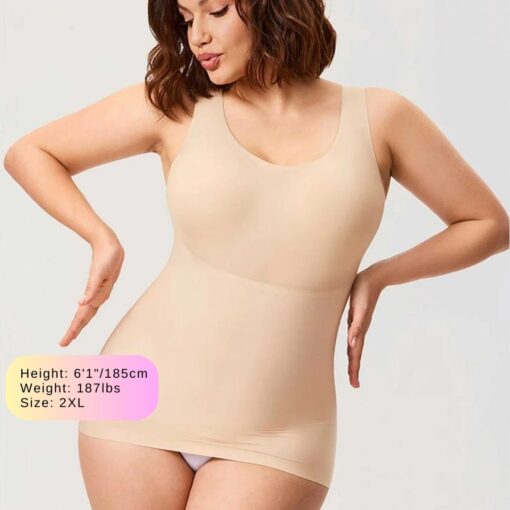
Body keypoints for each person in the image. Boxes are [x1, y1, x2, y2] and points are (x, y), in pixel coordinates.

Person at [3, 0, 508, 509]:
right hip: (137, 402)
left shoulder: (381, 118)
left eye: (217, 10)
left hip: (279, 435)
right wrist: (101, 237)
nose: (198, 35)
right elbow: (31, 152)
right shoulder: (178, 106)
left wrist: (379, 276)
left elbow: (487, 223)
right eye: (186, 18)